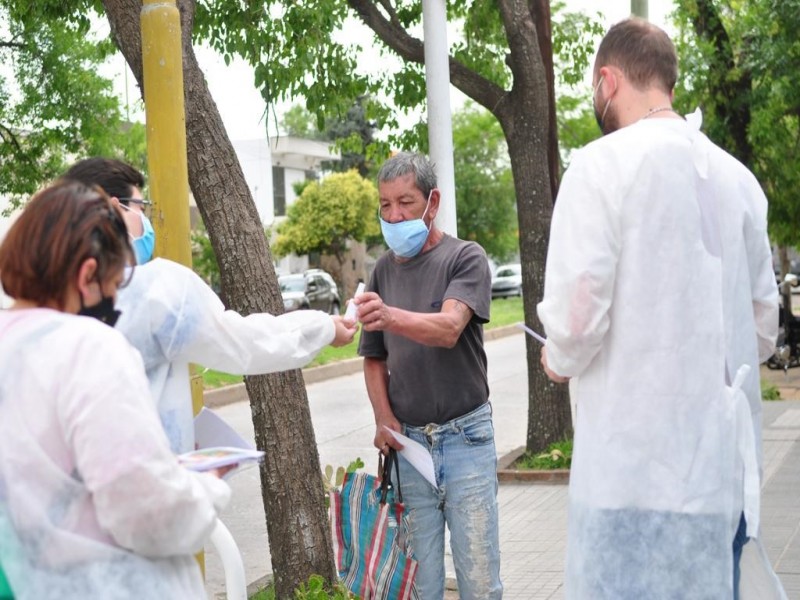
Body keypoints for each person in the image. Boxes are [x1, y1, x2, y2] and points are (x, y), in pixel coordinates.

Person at [537, 18, 780, 599]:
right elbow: (763, 331)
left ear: (608, 80)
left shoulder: (600, 167)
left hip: (632, 477)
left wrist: (558, 359)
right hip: (721, 476)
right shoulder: (740, 180)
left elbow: (576, 323)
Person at [0, 181, 230, 598]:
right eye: (111, 287)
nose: (112, 305)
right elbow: (149, 513)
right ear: (88, 275)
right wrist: (207, 486)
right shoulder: (88, 349)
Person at [64, 157, 358, 453]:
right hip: (144, 481)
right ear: (116, 208)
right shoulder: (159, 291)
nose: (146, 220)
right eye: (142, 207)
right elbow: (246, 343)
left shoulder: (49, 299)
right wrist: (324, 328)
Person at [355, 152, 502, 599]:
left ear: (432, 202)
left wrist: (389, 314)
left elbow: (449, 328)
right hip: (410, 447)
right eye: (385, 206)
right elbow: (374, 357)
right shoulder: (380, 269)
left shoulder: (465, 257)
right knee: (420, 584)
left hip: (466, 440)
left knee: (479, 580)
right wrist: (384, 417)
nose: (394, 216)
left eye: (405, 202)